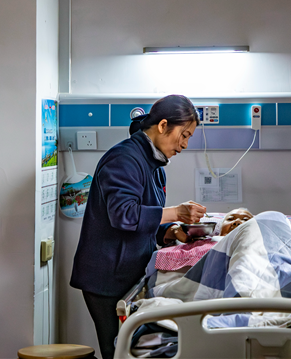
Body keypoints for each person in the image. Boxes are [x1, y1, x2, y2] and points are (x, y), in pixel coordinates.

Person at [70, 94, 206, 359]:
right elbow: (123, 215)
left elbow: (147, 219)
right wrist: (176, 212)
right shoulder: (123, 159)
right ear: (163, 125)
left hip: (132, 271)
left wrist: (172, 232)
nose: (185, 145)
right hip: (107, 276)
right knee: (116, 351)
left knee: (131, 350)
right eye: (184, 135)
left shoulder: (156, 166)